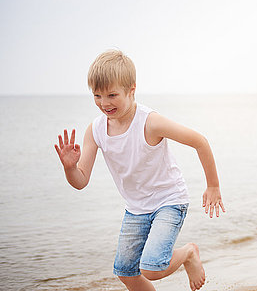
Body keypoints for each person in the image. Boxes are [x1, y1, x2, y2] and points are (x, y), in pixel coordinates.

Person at [53, 50, 224, 291]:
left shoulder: (150, 122)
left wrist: (213, 186)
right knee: (126, 272)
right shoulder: (96, 130)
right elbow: (80, 181)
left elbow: (200, 141)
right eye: (97, 95)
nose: (104, 103)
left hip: (169, 200)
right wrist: (70, 168)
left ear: (132, 89)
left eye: (112, 95)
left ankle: (188, 254)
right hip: (136, 209)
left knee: (151, 268)